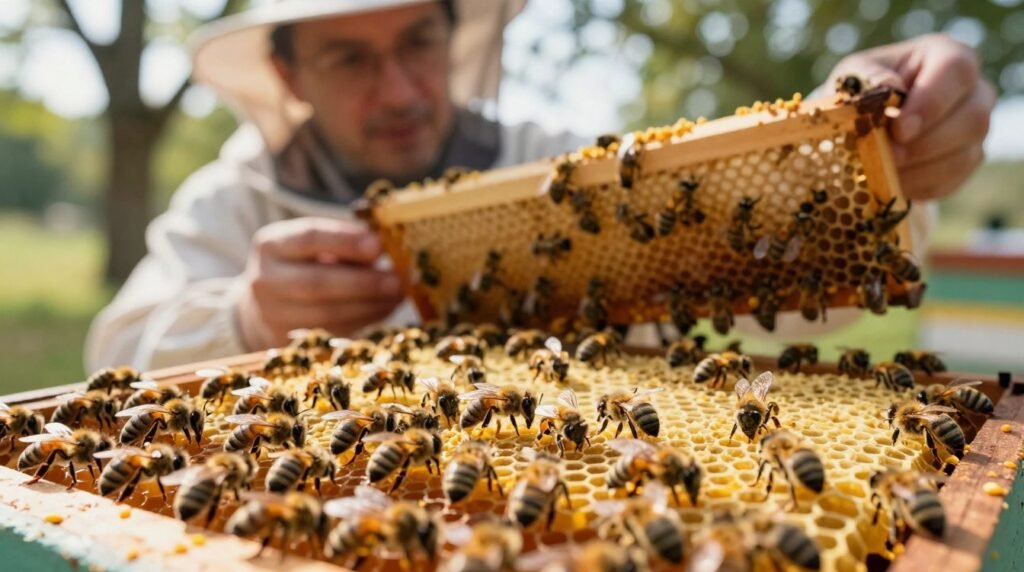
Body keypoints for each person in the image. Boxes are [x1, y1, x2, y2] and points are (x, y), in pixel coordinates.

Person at [85, 0, 997, 371]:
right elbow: (111, 351)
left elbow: (791, 291)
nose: (398, 90)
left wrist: (877, 169)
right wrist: (247, 319)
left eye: (418, 44)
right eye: (351, 59)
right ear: (290, 76)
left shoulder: (562, 163)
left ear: (456, 35)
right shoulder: (236, 196)